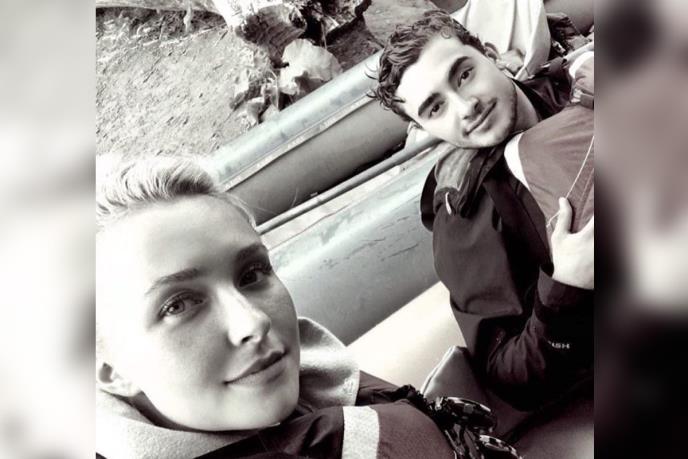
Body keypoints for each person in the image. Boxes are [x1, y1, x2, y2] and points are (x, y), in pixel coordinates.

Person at [95, 156, 464, 459]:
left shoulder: (320, 384)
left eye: (252, 273)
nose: (253, 322)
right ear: (110, 369)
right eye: (177, 305)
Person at [372, 10, 593, 410]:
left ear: (491, 54)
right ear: (423, 129)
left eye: (464, 75)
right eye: (435, 108)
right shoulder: (466, 218)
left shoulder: (577, 84)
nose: (466, 106)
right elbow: (512, 377)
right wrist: (568, 286)